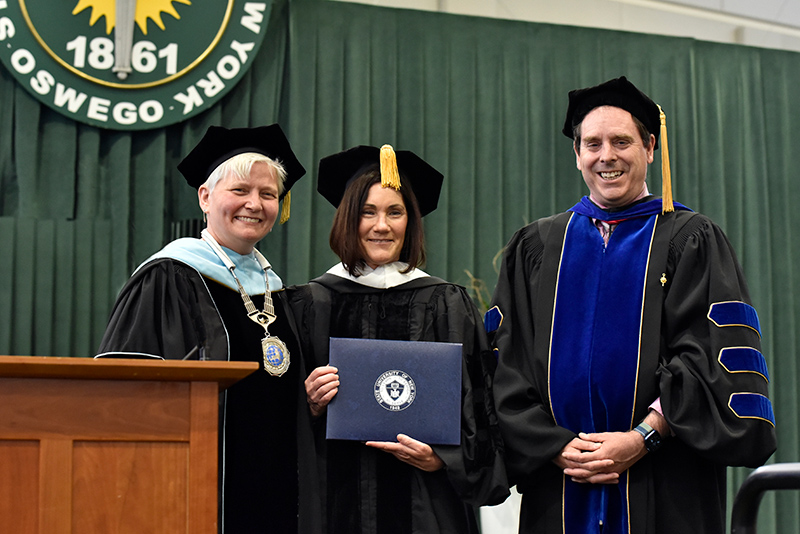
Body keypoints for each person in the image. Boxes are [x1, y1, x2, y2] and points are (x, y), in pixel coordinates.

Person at [488, 77, 777, 534]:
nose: (607, 156)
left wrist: (644, 436)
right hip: (561, 480)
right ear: (577, 154)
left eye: (622, 141)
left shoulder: (689, 239)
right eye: (592, 143)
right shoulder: (538, 247)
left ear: (650, 147)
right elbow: (507, 362)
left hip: (664, 480)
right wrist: (555, 445)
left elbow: (707, 355)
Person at [96, 124, 314, 533]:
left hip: (277, 492)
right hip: (193, 489)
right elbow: (122, 396)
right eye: (240, 190)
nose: (255, 203)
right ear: (205, 196)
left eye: (268, 195)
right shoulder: (166, 277)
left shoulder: (279, 292)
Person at [288, 144, 509, 534]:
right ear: (346, 219)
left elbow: (481, 408)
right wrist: (307, 402)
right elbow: (271, 426)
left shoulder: (447, 304)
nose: (381, 226)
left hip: (428, 505)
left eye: (395, 212)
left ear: (412, 222)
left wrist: (444, 458)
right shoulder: (309, 304)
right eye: (367, 212)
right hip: (332, 504)